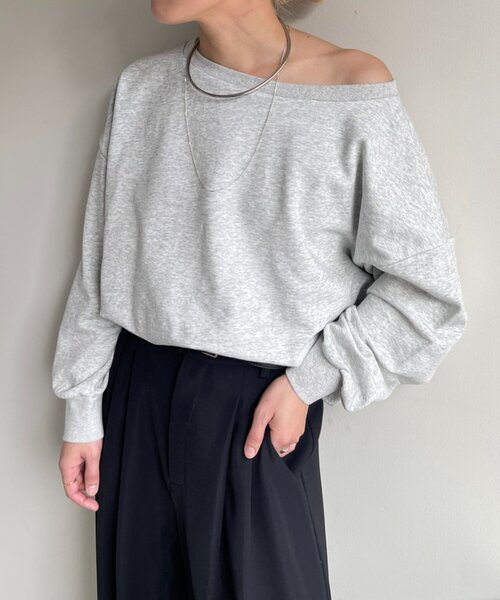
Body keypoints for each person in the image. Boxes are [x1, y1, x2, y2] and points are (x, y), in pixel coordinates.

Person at [53, 0, 468, 598]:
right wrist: (83, 410)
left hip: (256, 411)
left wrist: (308, 382)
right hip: (134, 400)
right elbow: (101, 265)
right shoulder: (143, 88)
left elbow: (427, 294)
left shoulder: (351, 90)